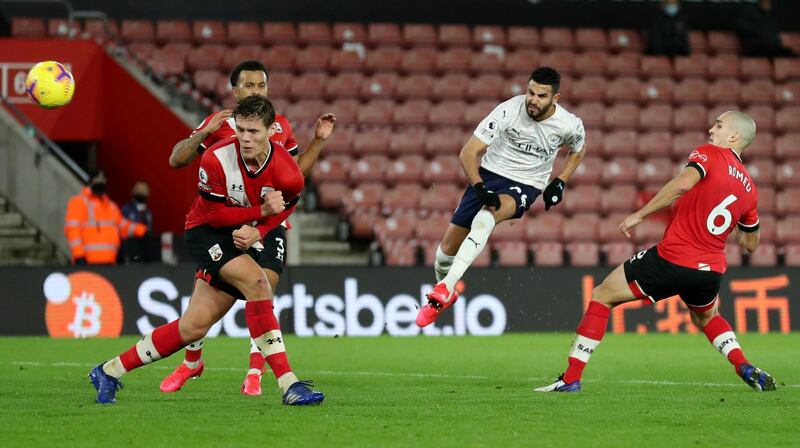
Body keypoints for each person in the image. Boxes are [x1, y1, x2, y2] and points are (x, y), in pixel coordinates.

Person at [89, 95, 325, 405]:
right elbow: (214, 215)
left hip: (243, 231)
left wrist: (262, 228)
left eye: (253, 132)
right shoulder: (216, 158)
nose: (245, 138)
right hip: (205, 233)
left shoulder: (287, 171)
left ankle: (109, 371)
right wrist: (260, 213)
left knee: (193, 327)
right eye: (240, 130)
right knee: (258, 284)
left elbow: (287, 205)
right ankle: (289, 384)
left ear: (271, 131)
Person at [535, 111, 777, 393]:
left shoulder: (709, 154)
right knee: (707, 317)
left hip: (673, 258)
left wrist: (641, 214)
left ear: (734, 136)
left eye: (719, 125)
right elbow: (750, 245)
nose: (712, 129)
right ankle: (743, 365)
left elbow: (683, 184)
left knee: (602, 296)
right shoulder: (750, 189)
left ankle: (571, 378)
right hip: (710, 271)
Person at [164, 60, 335, 396]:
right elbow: (176, 160)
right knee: (204, 300)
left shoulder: (278, 126)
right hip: (222, 224)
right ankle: (191, 360)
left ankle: (256, 371)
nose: (256, 91)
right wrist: (204, 131)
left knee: (263, 286)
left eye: (261, 86)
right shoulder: (221, 125)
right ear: (234, 91)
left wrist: (317, 141)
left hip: (269, 224)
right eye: (249, 85)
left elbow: (295, 176)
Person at [416, 67, 586, 327]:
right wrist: (480, 187)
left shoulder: (568, 124)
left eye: (541, 96)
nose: (533, 99)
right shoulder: (508, 110)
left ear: (556, 98)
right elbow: (468, 152)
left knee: (487, 218)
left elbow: (578, 149)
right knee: (443, 255)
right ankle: (445, 288)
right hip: (488, 176)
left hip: (526, 184)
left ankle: (444, 290)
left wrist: (560, 182)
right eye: (530, 92)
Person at [64, 170, 147, 265]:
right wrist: (78, 255)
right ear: (90, 181)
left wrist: (143, 231)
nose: (101, 181)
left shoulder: (110, 206)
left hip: (109, 263)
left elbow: (122, 225)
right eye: (97, 179)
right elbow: (73, 230)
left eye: (103, 179)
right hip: (87, 262)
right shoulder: (79, 202)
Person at [120, 181, 154, 263]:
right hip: (130, 249)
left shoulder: (148, 212)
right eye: (139, 190)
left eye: (144, 191)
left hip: (145, 251)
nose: (142, 193)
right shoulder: (126, 210)